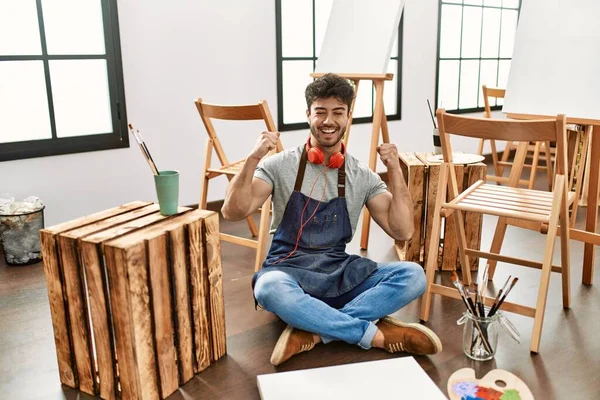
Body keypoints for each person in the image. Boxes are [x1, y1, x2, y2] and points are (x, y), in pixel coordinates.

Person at [221, 73, 442, 366]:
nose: (329, 121)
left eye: (338, 112)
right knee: (268, 288)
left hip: (339, 272)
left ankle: (312, 332)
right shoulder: (279, 164)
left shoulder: (361, 175)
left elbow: (402, 230)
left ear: (349, 116)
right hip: (288, 269)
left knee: (413, 276)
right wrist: (252, 158)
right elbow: (232, 212)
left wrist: (395, 171)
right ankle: (373, 334)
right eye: (320, 112)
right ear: (308, 115)